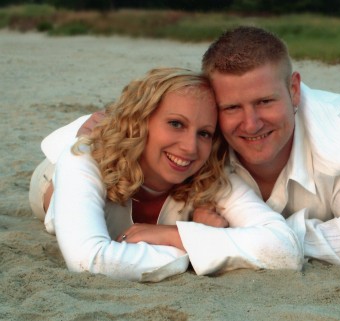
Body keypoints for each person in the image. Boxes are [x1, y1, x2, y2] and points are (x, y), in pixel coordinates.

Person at [29, 67, 302, 282]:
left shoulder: (211, 173)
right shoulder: (86, 159)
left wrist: (173, 235)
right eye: (175, 124)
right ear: (141, 121)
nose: (190, 147)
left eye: (204, 133)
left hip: (140, 156)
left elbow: (285, 248)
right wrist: (196, 248)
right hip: (66, 169)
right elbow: (88, 262)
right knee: (77, 159)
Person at [200, 26, 340, 266]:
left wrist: (259, 236)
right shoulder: (199, 139)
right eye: (231, 107)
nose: (251, 125)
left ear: (294, 90)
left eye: (264, 101)